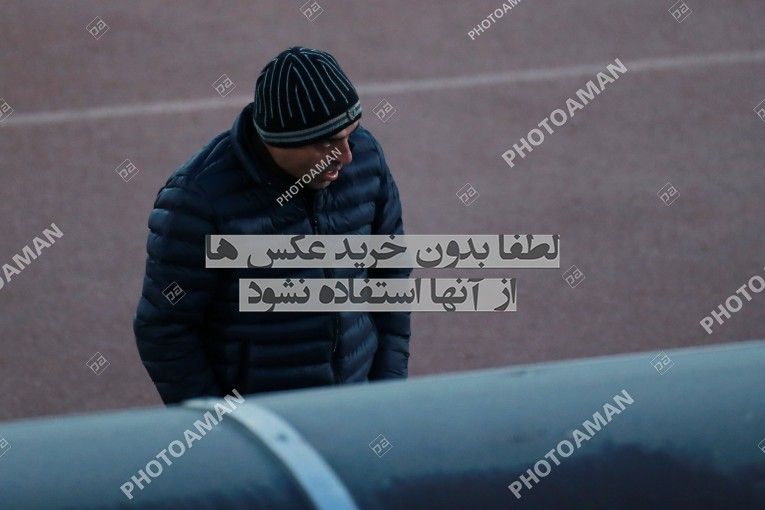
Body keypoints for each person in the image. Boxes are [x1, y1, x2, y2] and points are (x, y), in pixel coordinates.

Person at [133, 46, 411, 405]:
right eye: (328, 143)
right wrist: (221, 424)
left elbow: (391, 274)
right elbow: (164, 328)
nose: (346, 156)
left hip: (357, 407)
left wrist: (389, 390)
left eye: (350, 134)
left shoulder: (365, 158)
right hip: (264, 418)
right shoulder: (197, 201)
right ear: (277, 142)